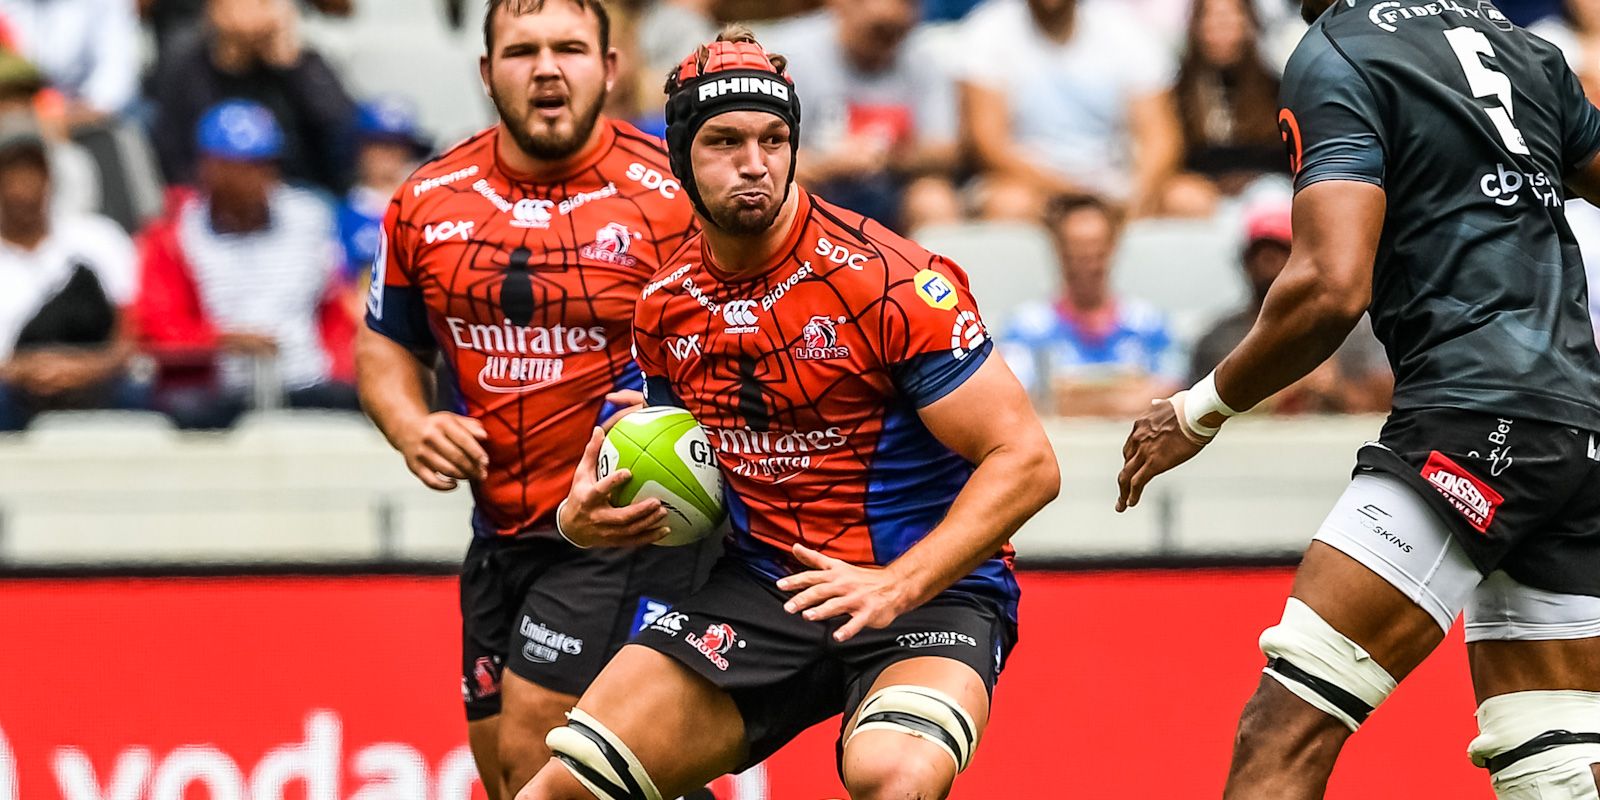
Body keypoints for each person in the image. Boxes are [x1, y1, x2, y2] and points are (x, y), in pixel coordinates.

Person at [517, 28, 1059, 800]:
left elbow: (1028, 462)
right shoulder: (665, 305)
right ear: (680, 159)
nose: (754, 162)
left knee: (894, 776)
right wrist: (586, 521)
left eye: (773, 139)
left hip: (927, 590)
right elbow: (683, 485)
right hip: (766, 585)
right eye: (724, 141)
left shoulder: (891, 280)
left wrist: (895, 585)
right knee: (558, 791)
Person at [1118, 0, 1600, 798]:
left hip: (1470, 420)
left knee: (1283, 731)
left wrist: (1199, 410)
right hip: (1577, 429)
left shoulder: (1339, 51)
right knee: (1552, 758)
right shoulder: (1521, 47)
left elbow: (1328, 286)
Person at [355, 2, 712, 799]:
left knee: (536, 756)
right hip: (499, 533)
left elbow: (748, 339)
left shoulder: (674, 195)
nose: (547, 68)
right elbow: (384, 342)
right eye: (522, 51)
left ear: (610, 69)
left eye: (569, 48)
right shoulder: (424, 200)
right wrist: (412, 424)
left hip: (625, 525)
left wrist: (671, 400)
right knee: (509, 770)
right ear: (487, 73)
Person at [135, 99, 356, 429]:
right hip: (217, 392)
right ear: (210, 169)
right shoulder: (176, 233)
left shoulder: (310, 218)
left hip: (307, 380)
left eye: (266, 165)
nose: (259, 178)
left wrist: (343, 365)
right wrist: (225, 340)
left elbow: (333, 305)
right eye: (244, 167)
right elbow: (157, 326)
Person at [957, 0, 1182, 220]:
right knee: (1010, 205)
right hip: (1030, 186)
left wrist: (1134, 195)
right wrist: (1075, 196)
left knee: (1185, 199)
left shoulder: (1126, 28)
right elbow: (989, 145)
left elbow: (1160, 137)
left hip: (1116, 184)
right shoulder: (989, 30)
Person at [0, 110, 142, 430]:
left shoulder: (101, 238)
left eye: (33, 169)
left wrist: (84, 368)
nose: (22, 184)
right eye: (10, 170)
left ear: (50, 174)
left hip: (101, 383)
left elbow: (131, 334)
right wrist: (24, 371)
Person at [767, 0, 962, 232]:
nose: (887, 39)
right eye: (878, 29)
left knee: (933, 200)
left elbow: (944, 151)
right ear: (843, 6)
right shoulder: (793, 55)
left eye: (897, 28)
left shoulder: (923, 57)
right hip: (819, 185)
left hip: (894, 189)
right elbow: (768, 151)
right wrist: (828, 163)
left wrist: (888, 157)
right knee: (787, 190)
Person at [999, 193, 1181, 418]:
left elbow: (1171, 389)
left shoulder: (1149, 323)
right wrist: (1119, 401)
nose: (1088, 261)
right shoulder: (1026, 327)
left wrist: (1077, 402)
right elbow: (1020, 399)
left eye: (1097, 249)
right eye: (1076, 250)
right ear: (1057, 249)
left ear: (1113, 246)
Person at [150, 0, 357, 194]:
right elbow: (170, 155)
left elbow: (345, 145)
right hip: (208, 199)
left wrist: (292, 64)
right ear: (215, 9)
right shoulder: (188, 68)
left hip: (296, 197)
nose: (252, 12)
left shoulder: (301, 65)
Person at [1161, 0, 1287, 217]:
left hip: (1268, 191)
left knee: (1272, 197)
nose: (1221, 27)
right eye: (1211, 18)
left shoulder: (1276, 91)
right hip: (1203, 198)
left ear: (1250, 23)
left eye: (1230, 17)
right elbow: (1171, 159)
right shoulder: (1178, 96)